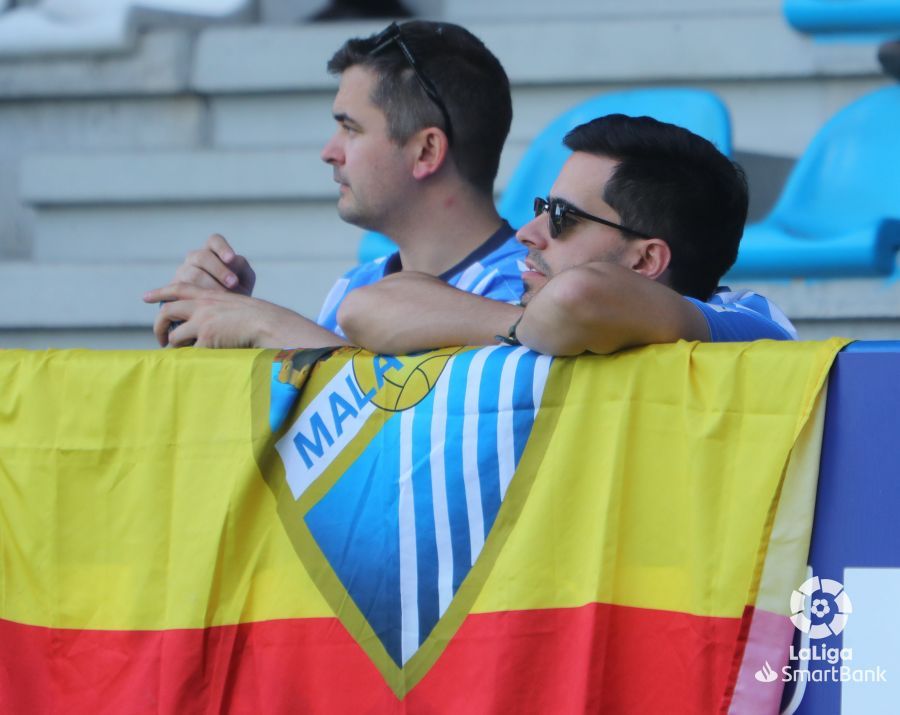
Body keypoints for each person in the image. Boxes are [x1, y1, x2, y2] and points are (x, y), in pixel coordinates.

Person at [143, 20, 522, 348]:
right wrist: (223, 322)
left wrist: (267, 326)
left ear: (426, 151)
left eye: (350, 129)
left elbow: (410, 418)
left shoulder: (521, 292)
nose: (329, 151)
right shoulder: (357, 283)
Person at [336, 114, 797, 356]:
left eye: (561, 216)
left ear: (645, 261)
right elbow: (365, 306)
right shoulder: (544, 328)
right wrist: (525, 329)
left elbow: (578, 297)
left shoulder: (750, 325)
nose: (528, 234)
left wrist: (524, 328)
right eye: (542, 207)